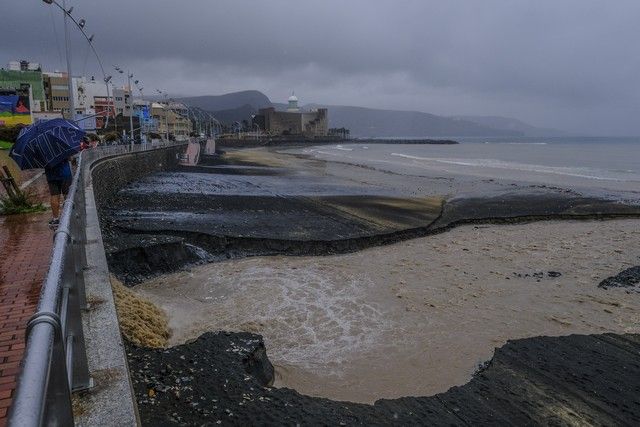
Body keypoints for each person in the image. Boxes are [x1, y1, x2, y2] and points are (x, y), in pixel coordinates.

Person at [44, 159, 72, 226]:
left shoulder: (42, 149)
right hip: (65, 172)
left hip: (51, 174)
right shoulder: (60, 148)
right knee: (67, 195)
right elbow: (70, 158)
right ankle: (69, 216)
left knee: (54, 195)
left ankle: (55, 219)